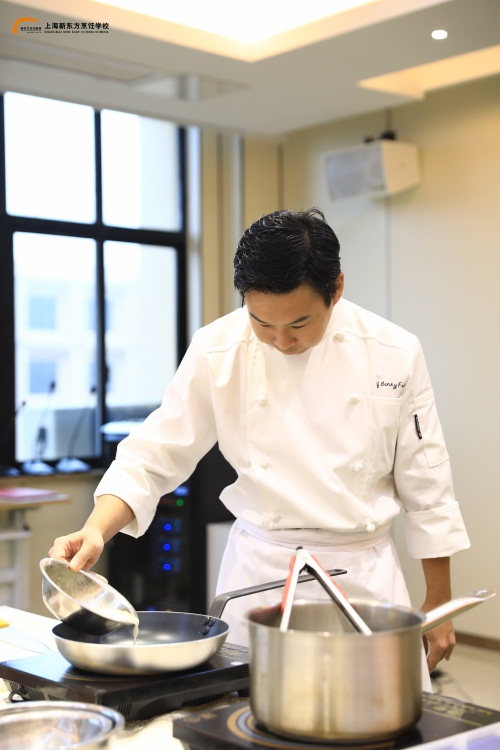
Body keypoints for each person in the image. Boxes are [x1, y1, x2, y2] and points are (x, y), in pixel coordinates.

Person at [49, 207, 470, 689]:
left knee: (378, 710)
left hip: (361, 579)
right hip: (259, 578)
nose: (281, 341)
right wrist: (97, 529)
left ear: (336, 289)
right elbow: (154, 453)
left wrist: (439, 598)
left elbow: (426, 481)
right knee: (240, 716)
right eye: (261, 322)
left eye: (299, 323)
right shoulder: (217, 348)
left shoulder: (394, 351)